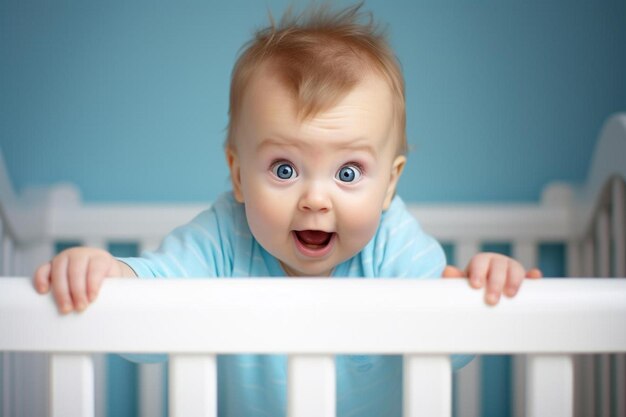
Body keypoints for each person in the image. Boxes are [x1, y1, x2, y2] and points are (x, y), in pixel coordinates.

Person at [33, 3, 541, 416]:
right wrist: (110, 276)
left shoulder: (392, 242)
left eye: (348, 173)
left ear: (389, 185)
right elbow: (153, 307)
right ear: (237, 174)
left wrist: (480, 287)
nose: (315, 199)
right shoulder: (224, 238)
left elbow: (449, 343)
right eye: (283, 169)